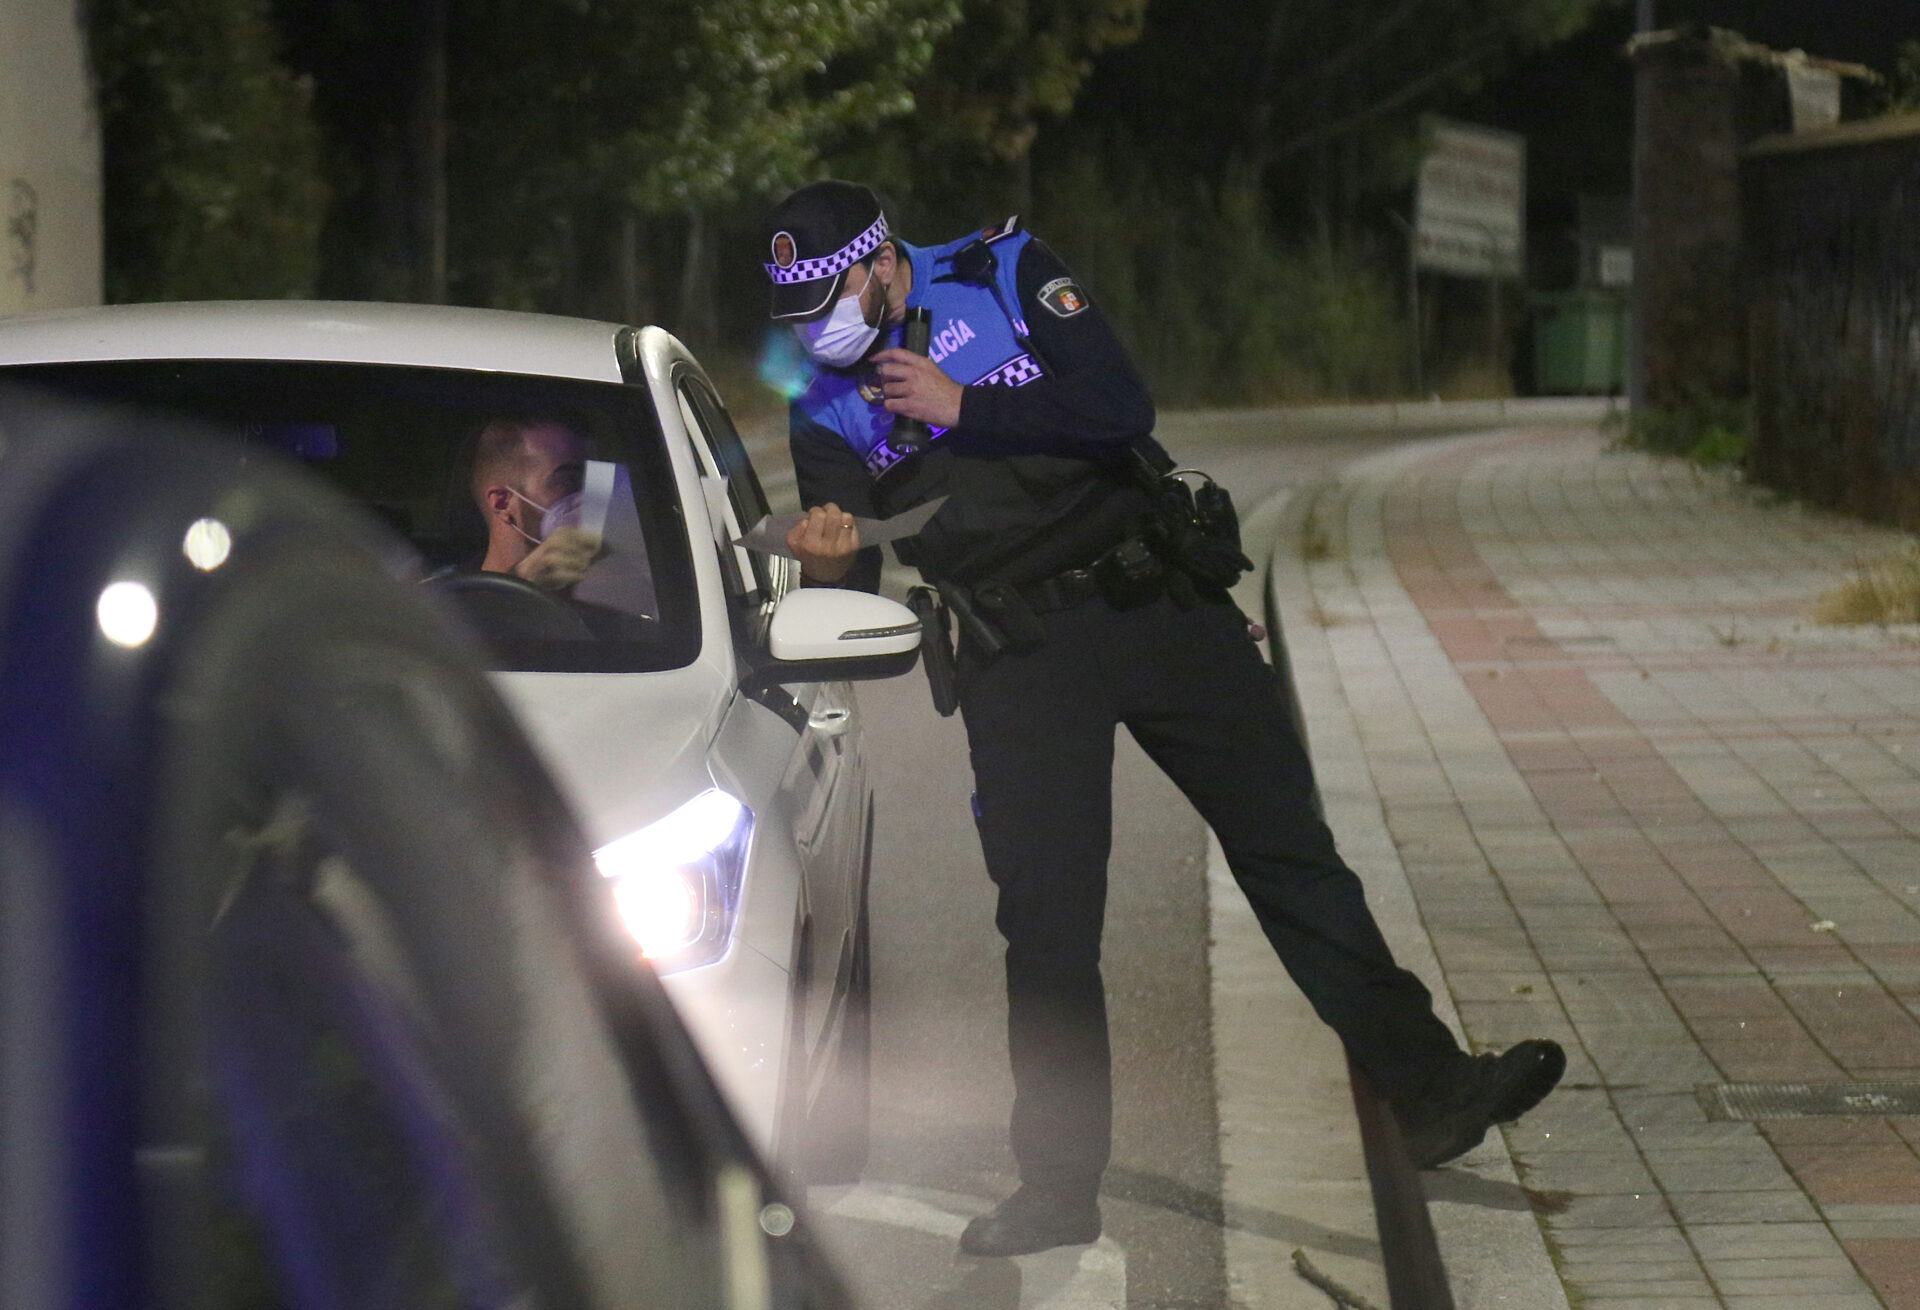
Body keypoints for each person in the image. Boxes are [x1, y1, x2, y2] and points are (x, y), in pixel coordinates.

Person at [761, 180, 1565, 1259]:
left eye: (827, 304)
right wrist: (827, 561)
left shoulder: (1000, 271)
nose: (817, 333)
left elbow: (1117, 406)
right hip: (1019, 656)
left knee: (1287, 849)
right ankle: (1057, 1186)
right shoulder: (823, 403)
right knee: (1047, 925)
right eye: (798, 319)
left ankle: (1431, 1089)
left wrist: (967, 406)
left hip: (1155, 605)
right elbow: (857, 569)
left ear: (877, 263)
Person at [471, 414, 600, 590]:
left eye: (594, 480)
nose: (592, 496)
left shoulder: (608, 589)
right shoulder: (446, 598)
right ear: (502, 503)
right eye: (569, 480)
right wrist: (521, 581)